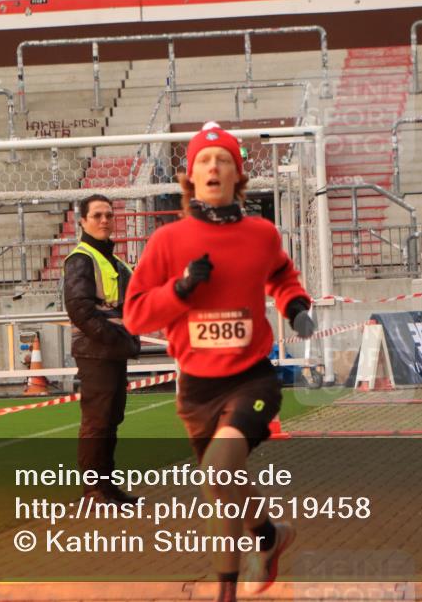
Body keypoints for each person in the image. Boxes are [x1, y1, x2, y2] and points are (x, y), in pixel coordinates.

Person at [123, 122, 315, 602]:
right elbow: (135, 314)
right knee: (221, 485)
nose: (213, 167)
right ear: (190, 177)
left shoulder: (261, 234)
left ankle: (224, 590)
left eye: (223, 160)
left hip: (251, 378)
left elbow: (281, 276)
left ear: (237, 175)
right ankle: (268, 537)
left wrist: (295, 306)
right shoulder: (167, 243)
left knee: (217, 472)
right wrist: (181, 289)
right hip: (196, 390)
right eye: (204, 161)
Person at [63, 193, 141, 505]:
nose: (105, 220)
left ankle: (106, 487)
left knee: (110, 418)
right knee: (98, 421)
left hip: (112, 350)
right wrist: (117, 339)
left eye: (109, 215)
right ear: (82, 221)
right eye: (97, 215)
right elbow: (80, 310)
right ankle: (95, 490)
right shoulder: (81, 259)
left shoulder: (115, 261)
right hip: (97, 351)